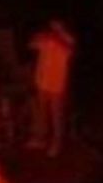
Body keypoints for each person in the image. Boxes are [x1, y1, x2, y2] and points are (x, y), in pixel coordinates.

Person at [26, 19, 77, 157]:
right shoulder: (47, 36)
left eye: (57, 23)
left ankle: (57, 143)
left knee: (56, 115)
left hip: (57, 82)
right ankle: (41, 139)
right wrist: (38, 38)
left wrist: (57, 39)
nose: (54, 25)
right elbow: (31, 45)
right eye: (53, 23)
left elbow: (70, 51)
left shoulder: (68, 38)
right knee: (42, 112)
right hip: (42, 80)